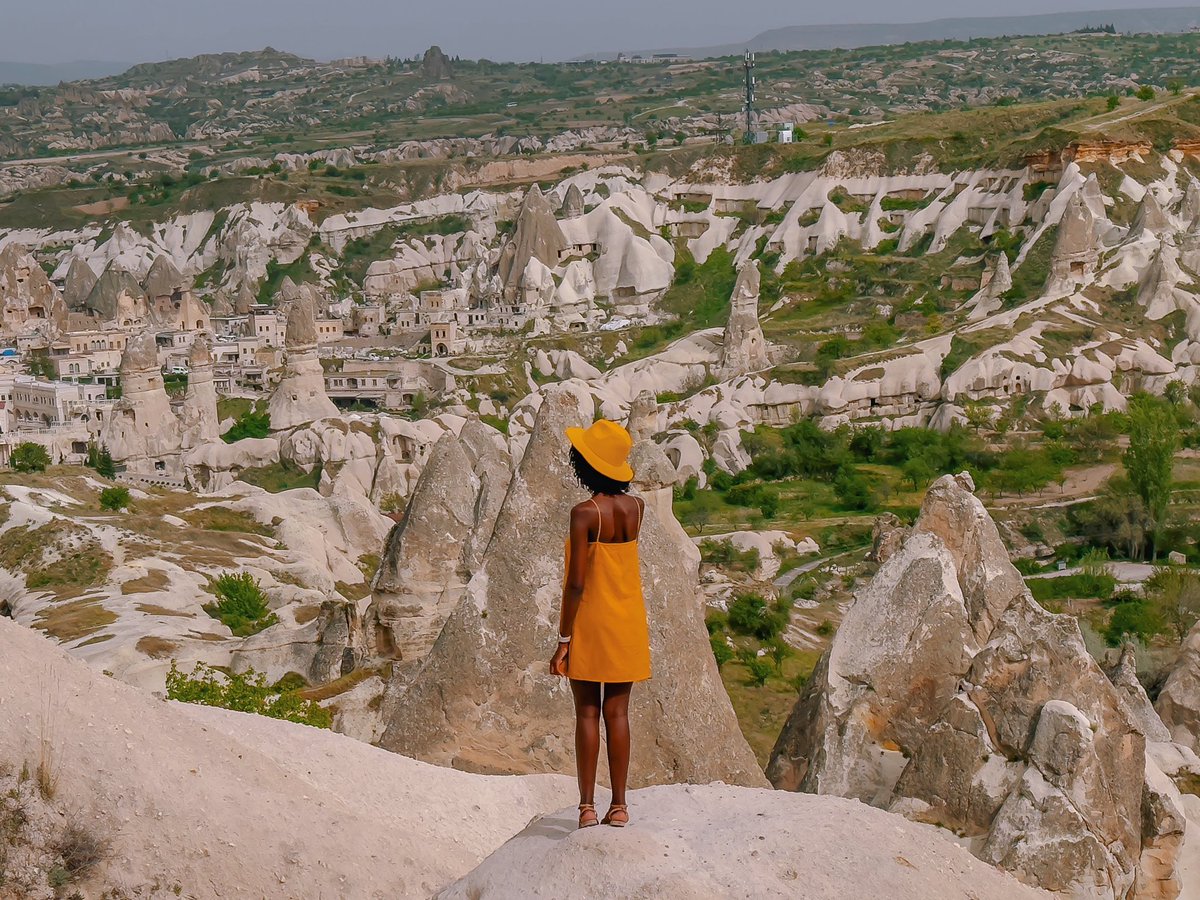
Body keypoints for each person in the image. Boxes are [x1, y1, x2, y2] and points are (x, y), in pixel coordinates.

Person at [549, 419, 651, 829]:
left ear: (587, 467)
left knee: (587, 714)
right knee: (619, 714)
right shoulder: (637, 508)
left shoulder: (584, 513)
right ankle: (621, 806)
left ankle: (588, 808)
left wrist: (563, 639)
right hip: (627, 620)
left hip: (591, 620)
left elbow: (576, 584)